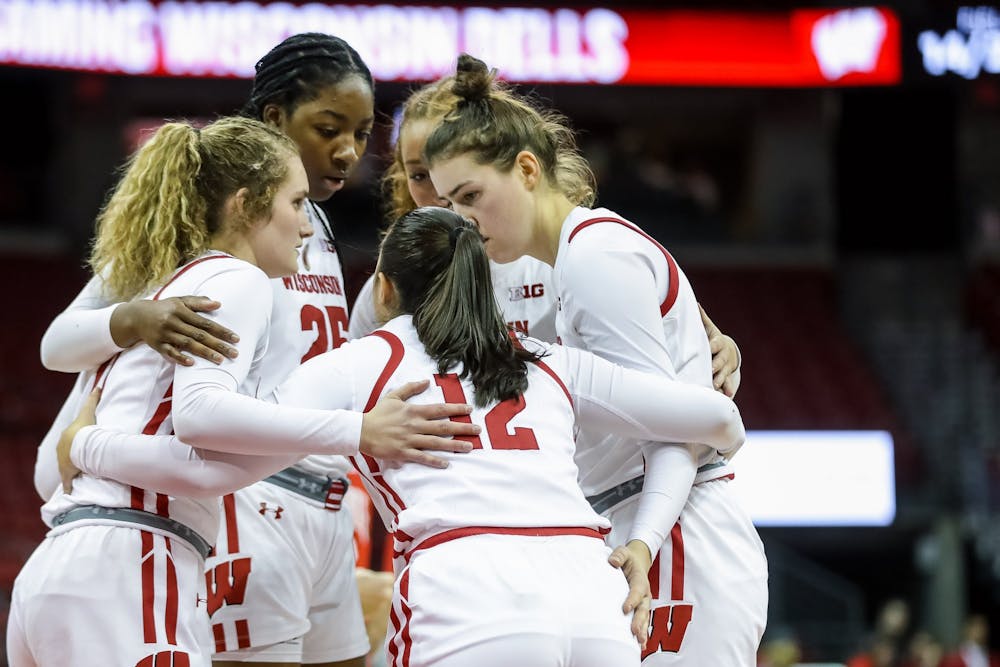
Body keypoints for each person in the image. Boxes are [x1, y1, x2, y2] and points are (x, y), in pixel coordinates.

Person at [58, 206, 749, 667]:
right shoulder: (548, 360)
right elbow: (720, 421)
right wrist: (715, 347)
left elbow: (215, 465)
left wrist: (88, 445)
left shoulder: (366, 361)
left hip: (468, 587)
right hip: (592, 590)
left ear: (384, 288)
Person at [11, 116, 474, 667]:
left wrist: (83, 445)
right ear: (243, 205)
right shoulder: (237, 278)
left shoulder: (167, 281)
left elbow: (80, 458)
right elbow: (201, 417)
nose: (308, 227)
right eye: (297, 204)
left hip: (64, 566)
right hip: (133, 563)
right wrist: (360, 431)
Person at [423, 54, 769, 665]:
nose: (463, 221)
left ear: (527, 169)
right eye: (451, 203)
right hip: (645, 525)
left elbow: (677, 428)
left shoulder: (593, 258)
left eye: (471, 195)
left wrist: (643, 541)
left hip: (673, 533)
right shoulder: (581, 255)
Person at [348, 76, 743, 398]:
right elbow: (353, 392)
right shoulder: (394, 282)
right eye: (420, 175)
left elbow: (685, 341)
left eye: (460, 179)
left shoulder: (575, 251)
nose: (437, 190)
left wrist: (724, 351)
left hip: (572, 477)